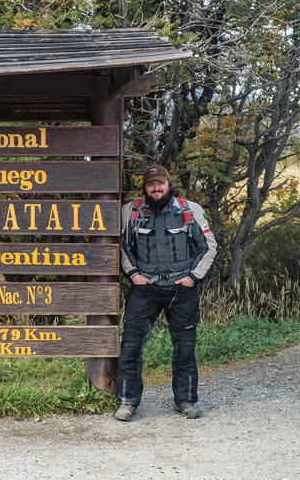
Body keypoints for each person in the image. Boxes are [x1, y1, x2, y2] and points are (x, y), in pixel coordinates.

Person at [115, 165, 217, 422]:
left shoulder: (189, 210)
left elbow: (209, 247)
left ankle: (185, 400)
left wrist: (192, 278)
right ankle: (127, 402)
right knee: (130, 345)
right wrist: (134, 274)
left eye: (160, 184)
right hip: (145, 287)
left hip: (181, 289)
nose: (156, 188)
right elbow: (120, 246)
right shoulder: (131, 211)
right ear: (145, 187)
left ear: (169, 184)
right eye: (151, 185)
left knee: (185, 347)